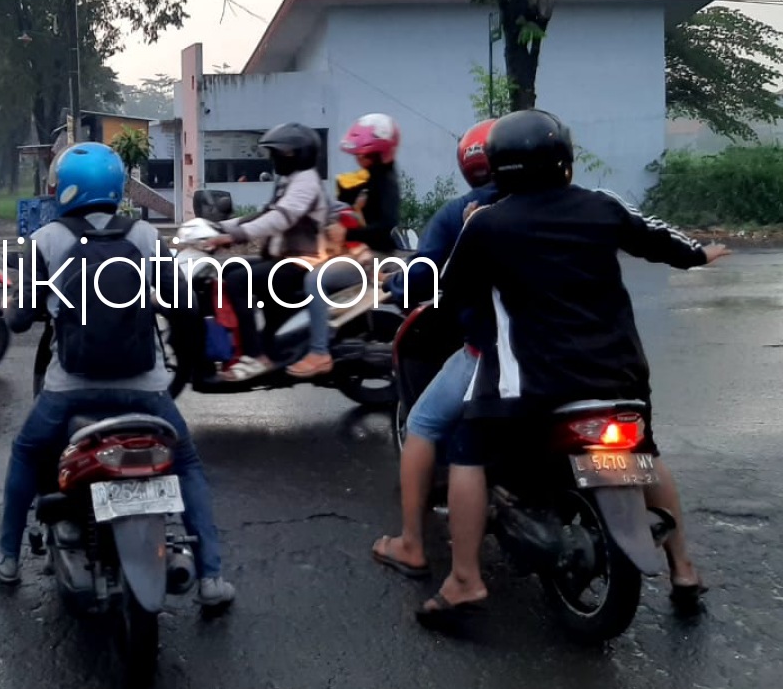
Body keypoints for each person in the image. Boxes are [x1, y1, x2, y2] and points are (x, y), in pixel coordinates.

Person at [416, 109, 730, 627]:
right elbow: (657, 238)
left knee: (467, 451)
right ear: (564, 159)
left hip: (530, 385)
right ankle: (684, 568)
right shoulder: (601, 205)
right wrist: (699, 254)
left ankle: (465, 579)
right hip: (618, 376)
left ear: (497, 168)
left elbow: (449, 293)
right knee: (644, 457)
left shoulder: (486, 223)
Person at [0, 142, 236, 611]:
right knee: (188, 462)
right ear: (116, 188)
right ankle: (212, 577)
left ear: (65, 189)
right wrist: (190, 360)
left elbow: (20, 320)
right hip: (146, 388)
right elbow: (181, 303)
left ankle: (8, 557)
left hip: (69, 389)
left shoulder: (46, 240)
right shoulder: (145, 236)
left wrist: (15, 305)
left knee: (27, 451)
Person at [367, 118, 503, 577]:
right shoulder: (580, 207)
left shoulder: (467, 214)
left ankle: (416, 547)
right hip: (589, 352)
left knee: (426, 424)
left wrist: (397, 286)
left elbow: (423, 276)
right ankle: (682, 563)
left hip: (499, 351)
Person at [202, 122, 330, 381]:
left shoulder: (306, 182)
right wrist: (217, 227)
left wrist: (234, 236)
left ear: (293, 154)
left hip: (302, 262)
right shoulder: (290, 180)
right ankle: (244, 340)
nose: (273, 159)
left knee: (238, 280)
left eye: (276, 153)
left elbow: (279, 219)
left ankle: (255, 356)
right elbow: (263, 214)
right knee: (228, 269)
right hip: (283, 259)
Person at [286, 113, 403, 377]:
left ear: (379, 153)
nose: (358, 157)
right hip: (357, 252)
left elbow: (384, 228)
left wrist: (348, 231)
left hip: (373, 257)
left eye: (364, 153)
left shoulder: (385, 183)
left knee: (315, 280)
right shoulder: (369, 180)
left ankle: (319, 352)